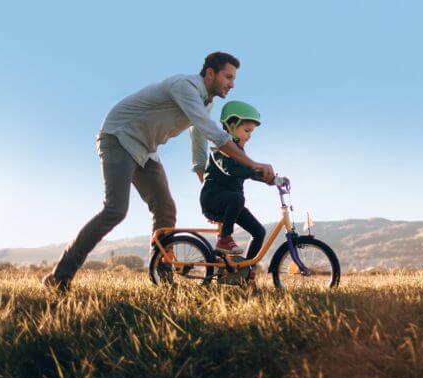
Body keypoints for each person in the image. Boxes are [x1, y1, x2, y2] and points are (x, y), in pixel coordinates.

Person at [42, 52, 275, 292]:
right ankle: (60, 276)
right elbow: (212, 131)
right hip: (118, 137)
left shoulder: (206, 101)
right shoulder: (184, 87)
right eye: (228, 77)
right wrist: (253, 164)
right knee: (115, 210)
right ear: (210, 73)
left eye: (234, 78)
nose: (232, 84)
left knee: (166, 209)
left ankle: (161, 273)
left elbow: (198, 132)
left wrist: (200, 171)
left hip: (146, 150)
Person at [199, 101, 269, 259]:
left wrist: (269, 179)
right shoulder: (220, 147)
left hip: (232, 202)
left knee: (259, 232)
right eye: (246, 130)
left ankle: (248, 270)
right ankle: (224, 239)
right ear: (231, 125)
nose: (249, 136)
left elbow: (245, 171)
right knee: (238, 198)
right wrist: (256, 170)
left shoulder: (240, 151)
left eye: (251, 132)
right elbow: (230, 169)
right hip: (213, 199)